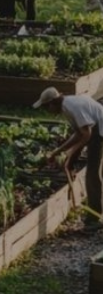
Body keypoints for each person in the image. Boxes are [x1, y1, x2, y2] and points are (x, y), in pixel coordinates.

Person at [33, 87, 103, 229]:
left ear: (53, 102)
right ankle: (95, 215)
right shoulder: (67, 106)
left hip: (100, 132)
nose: (48, 111)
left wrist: (71, 152)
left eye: (47, 107)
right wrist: (57, 152)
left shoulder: (71, 106)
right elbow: (79, 134)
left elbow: (87, 134)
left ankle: (95, 218)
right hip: (97, 130)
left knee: (92, 175)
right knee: (92, 174)